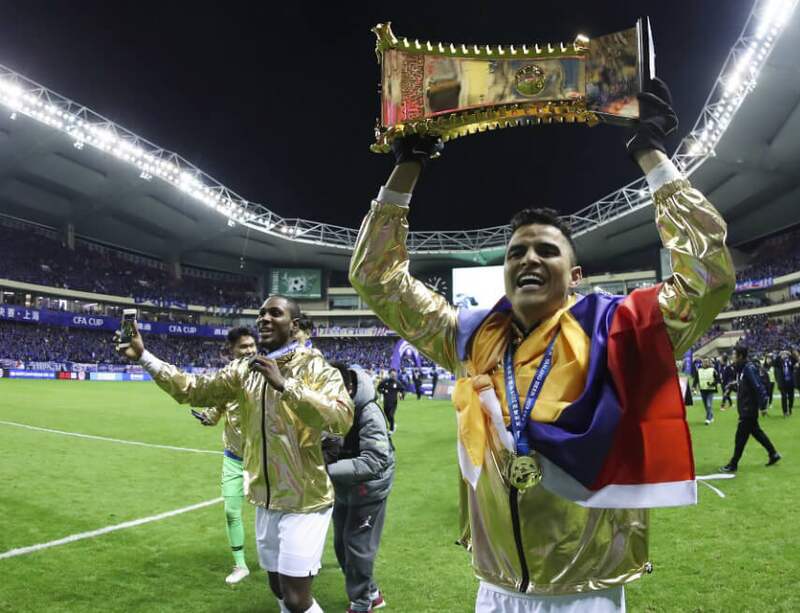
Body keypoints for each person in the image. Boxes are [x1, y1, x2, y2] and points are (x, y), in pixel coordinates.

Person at [350, 77, 734, 611]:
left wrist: (652, 156)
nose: (528, 259)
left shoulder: (618, 330)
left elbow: (708, 276)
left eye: (545, 251)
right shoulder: (467, 336)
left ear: (573, 274)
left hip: (587, 593)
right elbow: (376, 278)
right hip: (496, 588)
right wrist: (406, 167)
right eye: (516, 253)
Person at [117, 296, 353, 613]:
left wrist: (286, 385)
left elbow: (341, 419)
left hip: (305, 500)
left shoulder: (314, 367)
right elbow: (194, 388)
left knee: (298, 598)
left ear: (294, 325)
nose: (265, 318)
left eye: (275, 313)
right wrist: (144, 356)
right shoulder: (244, 370)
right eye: (261, 313)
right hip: (264, 498)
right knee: (278, 589)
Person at [190, 326, 258, 585]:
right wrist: (207, 418)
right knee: (231, 511)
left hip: (261, 459)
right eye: (243, 347)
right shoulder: (225, 381)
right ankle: (240, 565)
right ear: (231, 351)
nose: (249, 350)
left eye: (252, 345)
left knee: (272, 514)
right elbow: (216, 410)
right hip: (233, 456)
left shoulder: (265, 375)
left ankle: (283, 562)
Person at [327, 362, 395, 613]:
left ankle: (362, 604)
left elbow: (375, 460)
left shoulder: (368, 411)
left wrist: (325, 471)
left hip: (369, 489)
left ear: (349, 387)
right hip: (343, 486)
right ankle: (372, 593)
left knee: (357, 547)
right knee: (341, 545)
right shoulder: (328, 407)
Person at [719, 345, 781, 473]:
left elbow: (757, 386)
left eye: (734, 355)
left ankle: (733, 463)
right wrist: (734, 386)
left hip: (748, 409)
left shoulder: (748, 369)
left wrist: (763, 405)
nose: (732, 358)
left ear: (740, 356)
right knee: (757, 433)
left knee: (740, 437)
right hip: (746, 408)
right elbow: (746, 387)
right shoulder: (742, 369)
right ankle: (773, 454)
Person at [695, 357, 718, 424]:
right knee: (706, 405)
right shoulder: (699, 370)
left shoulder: (713, 370)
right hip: (702, 390)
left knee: (708, 404)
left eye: (707, 361)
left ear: (709, 362)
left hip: (710, 390)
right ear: (702, 363)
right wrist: (693, 387)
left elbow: (718, 379)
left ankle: (707, 419)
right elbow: (696, 379)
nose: (705, 363)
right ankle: (711, 416)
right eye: (704, 361)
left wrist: (712, 384)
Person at [774, 351, 796, 417]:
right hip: (782, 383)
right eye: (783, 355)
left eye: (785, 355)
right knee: (783, 397)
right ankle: (785, 412)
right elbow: (775, 363)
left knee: (791, 397)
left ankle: (790, 408)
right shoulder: (779, 363)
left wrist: (790, 354)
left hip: (790, 382)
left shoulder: (790, 362)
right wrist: (779, 354)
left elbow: (795, 360)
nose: (784, 356)